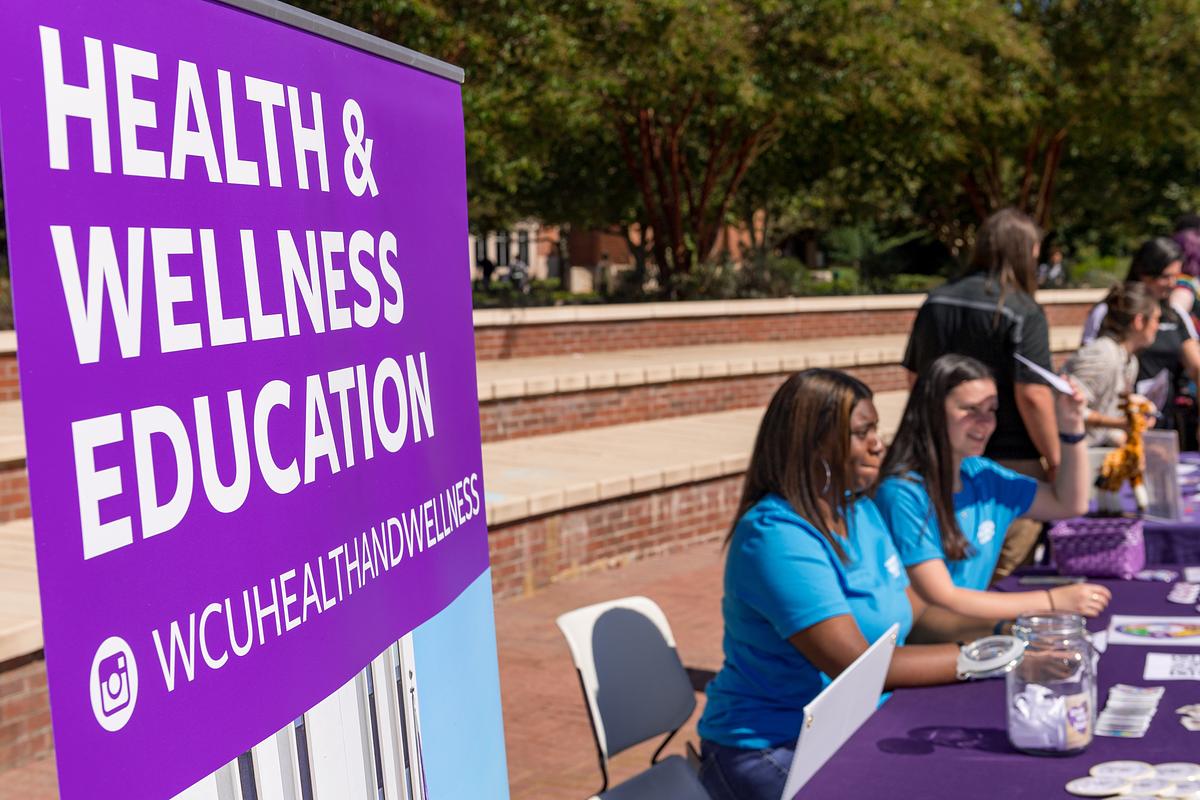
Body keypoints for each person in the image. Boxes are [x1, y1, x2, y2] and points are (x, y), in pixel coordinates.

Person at [697, 369, 981, 800]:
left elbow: (918, 615)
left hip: (853, 727)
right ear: (813, 446)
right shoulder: (775, 536)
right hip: (771, 746)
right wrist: (984, 659)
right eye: (861, 432)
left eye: (876, 429)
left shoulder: (858, 510)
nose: (878, 443)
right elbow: (855, 667)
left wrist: (1012, 633)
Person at [875, 354, 1111, 622]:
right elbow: (941, 599)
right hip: (925, 645)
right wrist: (1051, 600)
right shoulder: (902, 493)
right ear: (933, 411)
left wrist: (1071, 427)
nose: (985, 422)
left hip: (965, 633)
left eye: (991, 410)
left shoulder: (982, 474)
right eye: (970, 409)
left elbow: (1070, 503)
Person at [902, 208, 1055, 580]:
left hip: (941, 460)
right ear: (1023, 251)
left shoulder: (936, 301)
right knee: (999, 575)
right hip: (1010, 462)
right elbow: (1033, 395)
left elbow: (916, 378)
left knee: (949, 567)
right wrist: (1056, 458)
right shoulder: (1023, 311)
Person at [1080, 237, 1200, 445]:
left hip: (1162, 426)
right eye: (1166, 277)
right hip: (1114, 431)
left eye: (1176, 277)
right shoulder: (1108, 312)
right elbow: (1089, 373)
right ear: (1144, 274)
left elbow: (1196, 368)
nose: (1173, 285)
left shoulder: (1175, 315)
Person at [1064, 283, 1160, 446]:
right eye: (1156, 319)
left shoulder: (1130, 361)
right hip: (1071, 457)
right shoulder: (1102, 354)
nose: (1158, 326)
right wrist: (1118, 423)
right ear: (1139, 321)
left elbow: (1104, 420)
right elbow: (1068, 408)